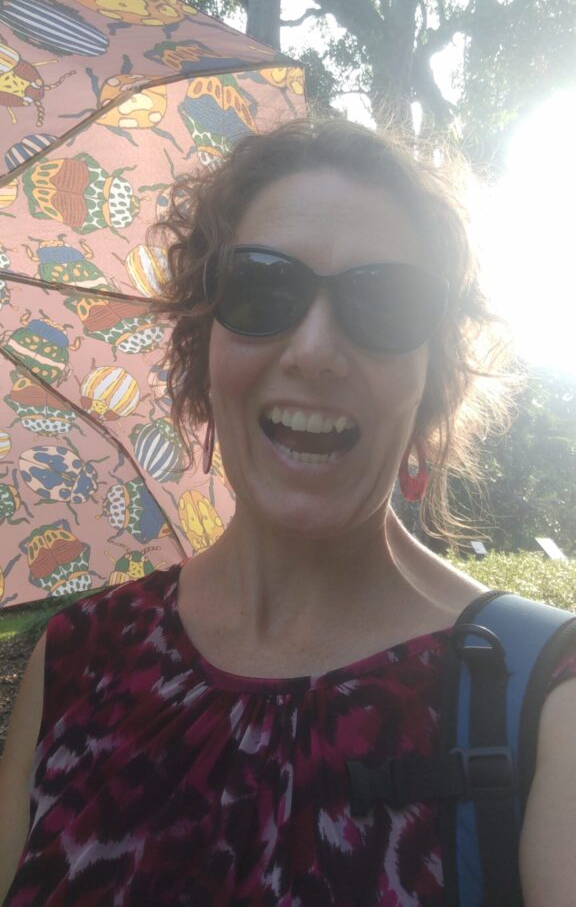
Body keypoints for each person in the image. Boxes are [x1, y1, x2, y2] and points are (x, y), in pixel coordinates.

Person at [0, 119, 574, 906]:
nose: (314, 349)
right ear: (203, 346)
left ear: (432, 376)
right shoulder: (72, 663)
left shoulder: (545, 705)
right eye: (264, 288)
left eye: (385, 302)